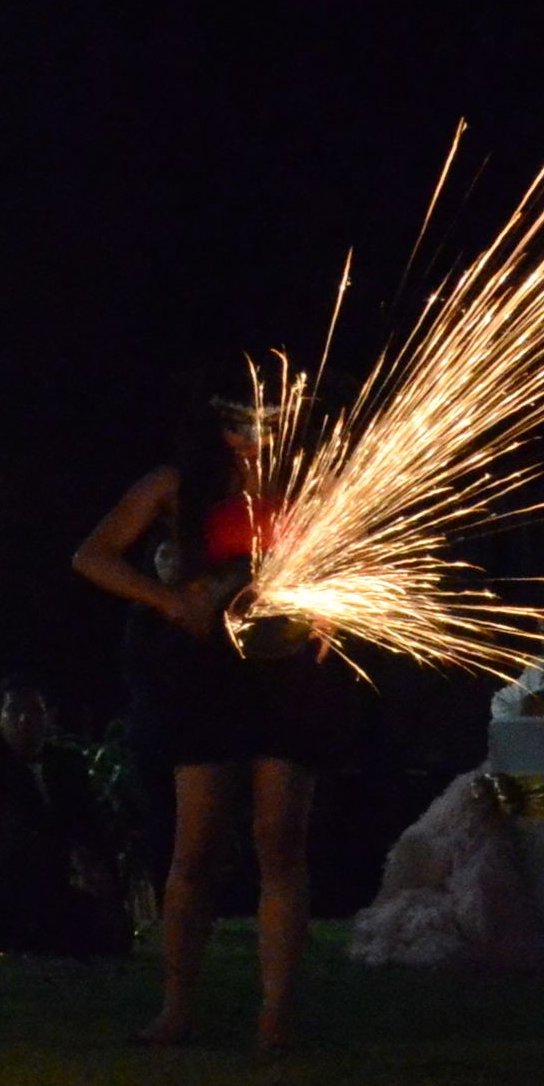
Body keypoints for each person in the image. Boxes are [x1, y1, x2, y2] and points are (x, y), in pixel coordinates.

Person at [71, 389, 357, 1051]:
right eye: (244, 419)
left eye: (269, 420)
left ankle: (275, 1017)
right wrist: (169, 601)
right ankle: (176, 1010)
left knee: (278, 840)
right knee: (196, 848)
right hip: (205, 674)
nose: (258, 430)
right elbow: (93, 554)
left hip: (286, 677)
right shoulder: (175, 484)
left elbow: (345, 559)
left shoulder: (305, 480)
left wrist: (329, 608)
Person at [0, 677, 127, 957]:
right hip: (5, 877)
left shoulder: (66, 763)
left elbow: (87, 816)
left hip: (63, 873)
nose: (25, 720)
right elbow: (9, 824)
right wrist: (67, 853)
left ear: (50, 716)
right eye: (14, 711)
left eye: (35, 711)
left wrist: (97, 860)